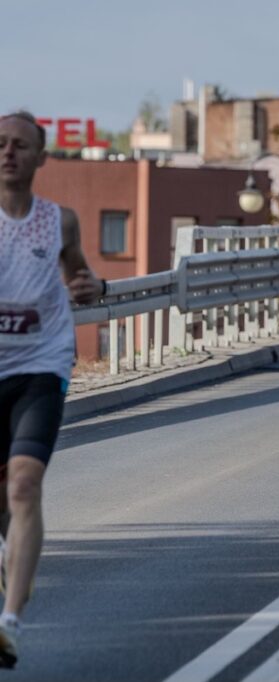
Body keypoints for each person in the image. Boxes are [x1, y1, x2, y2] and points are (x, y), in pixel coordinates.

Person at [0, 111, 105, 666]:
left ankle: (9, 624)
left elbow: (80, 280)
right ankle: (11, 556)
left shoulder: (59, 221)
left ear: (41, 158)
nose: (7, 153)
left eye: (19, 145)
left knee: (23, 486)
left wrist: (88, 286)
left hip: (41, 365)